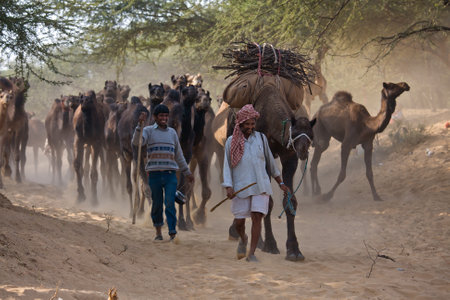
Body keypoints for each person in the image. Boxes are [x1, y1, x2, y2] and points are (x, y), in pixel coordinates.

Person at [222, 104, 290, 262]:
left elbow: (270, 163)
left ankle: (251, 253)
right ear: (240, 124)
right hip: (240, 187)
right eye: (247, 124)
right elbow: (227, 165)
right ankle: (243, 238)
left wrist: (280, 182)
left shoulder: (261, 138)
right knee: (239, 222)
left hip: (261, 185)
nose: (250, 127)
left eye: (253, 124)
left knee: (257, 217)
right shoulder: (231, 142)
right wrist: (228, 186)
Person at [132, 104, 194, 241]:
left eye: (166, 116)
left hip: (170, 174)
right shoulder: (147, 131)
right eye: (161, 116)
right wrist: (139, 126)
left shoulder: (172, 133)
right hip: (154, 174)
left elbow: (179, 155)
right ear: (155, 117)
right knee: (157, 204)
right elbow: (136, 143)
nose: (164, 118)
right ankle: (158, 232)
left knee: (170, 202)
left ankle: (172, 232)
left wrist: (187, 172)